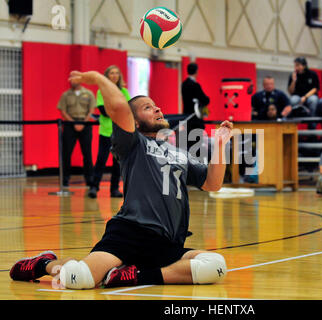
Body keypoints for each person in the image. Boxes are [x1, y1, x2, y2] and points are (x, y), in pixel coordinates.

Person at [10, 70, 232, 289]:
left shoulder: (179, 153)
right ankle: (45, 263)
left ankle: (134, 275)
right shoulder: (132, 144)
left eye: (155, 105)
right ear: (134, 122)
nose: (157, 108)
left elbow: (212, 183)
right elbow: (118, 108)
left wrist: (221, 146)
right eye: (148, 107)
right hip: (129, 233)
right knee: (78, 278)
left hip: (167, 242)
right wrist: (97, 78)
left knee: (216, 266)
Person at [88, 65, 130, 199]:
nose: (114, 75)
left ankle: (115, 189)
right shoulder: (102, 91)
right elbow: (104, 111)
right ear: (107, 76)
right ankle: (94, 187)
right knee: (101, 160)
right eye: (111, 73)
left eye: (116, 73)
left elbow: (129, 109)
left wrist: (116, 109)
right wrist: (118, 109)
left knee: (117, 162)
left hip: (120, 131)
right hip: (106, 131)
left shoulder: (124, 91)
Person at [57, 78, 96, 187]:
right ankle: (65, 179)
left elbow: (91, 110)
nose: (73, 81)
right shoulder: (65, 95)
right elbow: (63, 111)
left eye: (75, 78)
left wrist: (83, 122)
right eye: (71, 79)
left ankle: (89, 179)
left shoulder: (88, 94)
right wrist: (73, 122)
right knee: (66, 153)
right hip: (70, 124)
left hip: (86, 123)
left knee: (87, 153)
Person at [181, 63, 210, 153]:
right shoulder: (195, 85)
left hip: (186, 117)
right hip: (195, 118)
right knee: (197, 142)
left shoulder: (183, 84)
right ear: (196, 71)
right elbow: (205, 99)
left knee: (188, 141)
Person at [288, 57, 320, 129]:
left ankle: (312, 126)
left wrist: (305, 97)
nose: (296, 67)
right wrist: (293, 81)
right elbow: (290, 91)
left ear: (304, 66)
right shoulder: (293, 75)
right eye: (295, 65)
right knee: (292, 100)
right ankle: (292, 126)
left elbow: (315, 89)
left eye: (298, 65)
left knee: (313, 100)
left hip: (309, 96)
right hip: (297, 96)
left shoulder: (312, 74)